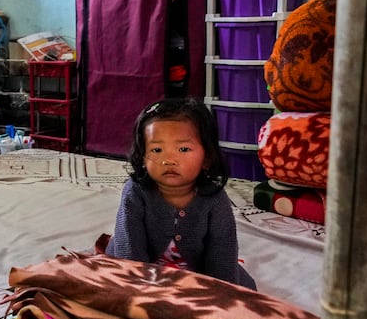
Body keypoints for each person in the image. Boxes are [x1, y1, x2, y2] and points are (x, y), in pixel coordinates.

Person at [108, 98, 256, 288]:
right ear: (143, 157)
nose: (169, 160)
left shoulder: (214, 199)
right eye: (157, 149)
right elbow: (128, 245)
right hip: (139, 272)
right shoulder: (136, 191)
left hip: (195, 272)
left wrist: (221, 293)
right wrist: (139, 288)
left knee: (242, 293)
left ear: (207, 157)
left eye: (183, 149)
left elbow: (222, 250)